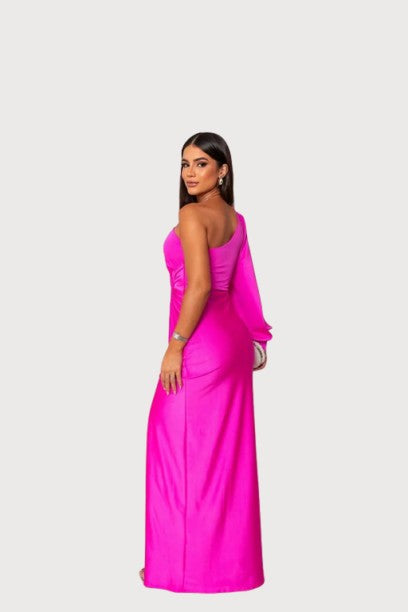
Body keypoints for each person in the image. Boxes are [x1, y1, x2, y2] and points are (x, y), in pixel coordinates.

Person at [140, 132, 273, 593]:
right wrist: (255, 339)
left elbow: (199, 286)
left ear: (223, 170)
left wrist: (175, 345)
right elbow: (242, 283)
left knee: (172, 448)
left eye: (201, 163)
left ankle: (173, 567)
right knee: (223, 460)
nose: (190, 173)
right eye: (185, 164)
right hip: (230, 343)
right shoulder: (235, 219)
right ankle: (225, 568)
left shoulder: (192, 215)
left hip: (199, 345)